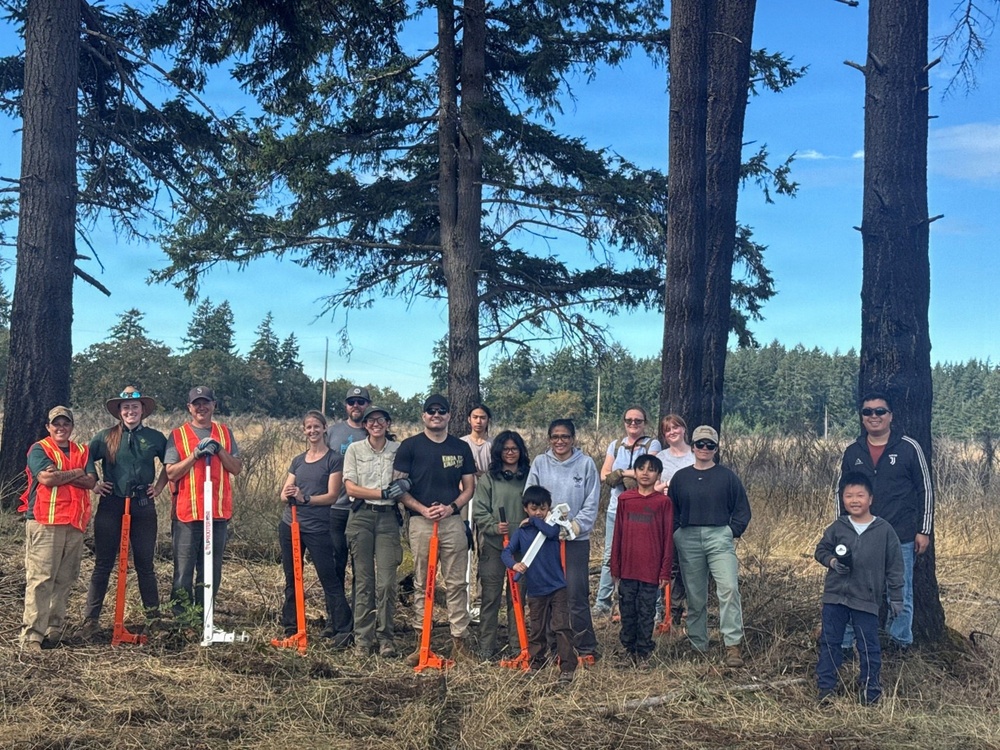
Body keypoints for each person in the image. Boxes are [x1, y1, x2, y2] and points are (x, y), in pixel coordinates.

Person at [837, 392, 933, 651]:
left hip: (900, 535)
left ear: (891, 416)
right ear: (862, 417)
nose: (874, 416)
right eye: (868, 412)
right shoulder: (853, 452)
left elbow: (925, 489)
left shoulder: (908, 448)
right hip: (860, 536)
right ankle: (847, 644)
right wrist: (844, 530)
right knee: (853, 590)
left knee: (900, 594)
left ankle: (899, 643)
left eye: (880, 411)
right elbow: (842, 492)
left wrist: (923, 530)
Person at [80, 387, 168, 640]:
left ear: (143, 410)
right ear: (119, 411)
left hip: (142, 505)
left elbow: (170, 464)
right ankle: (90, 620)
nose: (131, 411)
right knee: (103, 564)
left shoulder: (155, 437)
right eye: (126, 407)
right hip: (111, 504)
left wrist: (159, 486)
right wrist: (94, 482)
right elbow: (86, 457)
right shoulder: (106, 437)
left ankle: (154, 620)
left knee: (145, 565)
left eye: (135, 407)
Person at [395, 394, 477, 665]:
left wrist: (452, 507)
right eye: (431, 411)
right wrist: (421, 508)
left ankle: (459, 643)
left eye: (442, 411)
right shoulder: (409, 447)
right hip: (420, 523)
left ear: (449, 416)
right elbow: (398, 489)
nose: (436, 415)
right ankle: (422, 644)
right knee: (422, 582)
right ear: (423, 415)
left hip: (452, 523)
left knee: (456, 583)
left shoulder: (460, 448)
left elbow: (469, 488)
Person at [816, 472, 904, 706]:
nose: (854, 500)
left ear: (871, 499)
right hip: (835, 596)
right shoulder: (838, 527)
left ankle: (870, 690)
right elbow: (821, 550)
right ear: (842, 499)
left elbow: (895, 567)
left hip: (866, 599)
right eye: (849, 496)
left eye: (860, 495)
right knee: (830, 642)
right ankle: (826, 689)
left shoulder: (884, 531)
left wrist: (896, 597)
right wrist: (833, 562)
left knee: (868, 645)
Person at [668, 425, 751, 667]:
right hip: (688, 537)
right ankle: (697, 644)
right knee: (695, 595)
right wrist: (677, 534)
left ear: (716, 448)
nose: (704, 449)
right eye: (700, 444)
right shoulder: (681, 478)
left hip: (719, 538)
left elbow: (742, 510)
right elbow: (671, 510)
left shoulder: (727, 477)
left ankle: (732, 645)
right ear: (692, 446)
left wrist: (730, 531)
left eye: (710, 445)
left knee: (728, 589)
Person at [19, 406, 97, 651]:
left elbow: (92, 481)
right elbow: (47, 479)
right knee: (41, 579)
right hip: (45, 522)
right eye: (56, 424)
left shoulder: (83, 450)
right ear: (48, 427)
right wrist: (76, 472)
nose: (61, 428)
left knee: (65, 579)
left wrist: (63, 474)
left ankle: (54, 629)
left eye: (65, 423)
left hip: (74, 523)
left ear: (72, 426)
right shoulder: (40, 449)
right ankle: (32, 635)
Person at [526, 418, 601, 661]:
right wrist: (541, 523)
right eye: (555, 437)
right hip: (545, 541)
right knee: (550, 593)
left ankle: (585, 646)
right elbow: (531, 496)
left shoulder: (586, 464)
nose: (560, 441)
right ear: (549, 439)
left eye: (565, 436)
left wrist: (575, 527)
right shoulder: (540, 463)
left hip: (575, 541)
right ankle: (555, 647)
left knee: (575, 592)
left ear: (573, 438)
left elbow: (592, 501)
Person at [165, 386, 242, 615]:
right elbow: (171, 473)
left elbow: (236, 468)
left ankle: (203, 615)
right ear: (189, 408)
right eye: (196, 403)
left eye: (205, 402)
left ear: (213, 405)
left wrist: (218, 450)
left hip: (217, 514)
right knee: (183, 570)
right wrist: (195, 455)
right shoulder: (177, 435)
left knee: (211, 569)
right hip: (188, 514)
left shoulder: (225, 433)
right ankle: (182, 618)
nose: (201, 407)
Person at [277, 410, 349, 647]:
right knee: (292, 577)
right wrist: (289, 494)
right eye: (308, 427)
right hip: (291, 525)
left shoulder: (333, 459)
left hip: (318, 527)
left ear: (325, 428)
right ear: (303, 430)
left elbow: (331, 496)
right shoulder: (298, 460)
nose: (312, 431)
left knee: (328, 577)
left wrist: (305, 498)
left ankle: (343, 628)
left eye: (316, 426)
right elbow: (283, 494)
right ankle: (292, 626)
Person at [344, 405, 404, 657]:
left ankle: (386, 638)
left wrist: (403, 485)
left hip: (388, 518)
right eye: (371, 420)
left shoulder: (398, 450)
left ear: (388, 424)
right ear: (365, 425)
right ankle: (363, 639)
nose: (375, 424)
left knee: (387, 582)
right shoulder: (355, 450)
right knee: (364, 581)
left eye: (380, 420)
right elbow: (351, 488)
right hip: (362, 517)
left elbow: (405, 478)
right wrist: (381, 493)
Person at [501, 485, 576, 686]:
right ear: (525, 508)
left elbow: (550, 533)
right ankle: (536, 663)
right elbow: (506, 553)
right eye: (534, 509)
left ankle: (567, 667)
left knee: (561, 627)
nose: (538, 513)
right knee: (537, 628)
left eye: (542, 509)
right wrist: (514, 564)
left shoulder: (551, 527)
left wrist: (534, 520)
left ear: (549, 509)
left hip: (557, 587)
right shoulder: (521, 533)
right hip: (535, 590)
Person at [595, 406, 661, 617]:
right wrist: (623, 475)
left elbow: (650, 471)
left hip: (645, 510)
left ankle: (653, 606)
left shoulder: (652, 444)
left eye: (638, 421)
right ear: (623, 422)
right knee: (609, 555)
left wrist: (621, 472)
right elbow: (604, 474)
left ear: (645, 423)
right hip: (617, 509)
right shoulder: (615, 446)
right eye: (629, 420)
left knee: (647, 556)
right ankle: (602, 602)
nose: (633, 424)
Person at [610, 454, 673, 667]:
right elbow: (617, 533)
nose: (646, 473)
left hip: (651, 570)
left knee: (646, 611)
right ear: (635, 473)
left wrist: (665, 571)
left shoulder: (663, 502)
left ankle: (644, 652)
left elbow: (667, 539)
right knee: (628, 609)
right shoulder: (626, 499)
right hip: (627, 568)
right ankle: (628, 650)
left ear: (658, 474)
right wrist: (615, 565)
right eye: (642, 468)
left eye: (651, 469)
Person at [471, 430, 529, 659]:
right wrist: (494, 526)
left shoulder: (528, 476)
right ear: (499, 452)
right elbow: (479, 510)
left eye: (514, 448)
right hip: (495, 546)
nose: (510, 453)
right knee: (490, 598)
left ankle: (518, 646)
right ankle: (487, 647)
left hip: (521, 550)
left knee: (517, 599)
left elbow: (537, 504)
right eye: (506, 449)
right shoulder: (488, 479)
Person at [325, 385, 373, 639]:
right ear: (346, 406)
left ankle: (358, 622)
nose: (356, 406)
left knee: (361, 570)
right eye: (352, 402)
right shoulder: (333, 432)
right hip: (334, 509)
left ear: (367, 405)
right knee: (334, 568)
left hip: (361, 510)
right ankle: (334, 620)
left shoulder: (373, 431)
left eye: (361, 402)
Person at [655, 413, 695, 624]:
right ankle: (666, 610)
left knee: (686, 563)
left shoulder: (695, 454)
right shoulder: (661, 458)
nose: (672, 432)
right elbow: (653, 486)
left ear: (683, 429)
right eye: (667, 429)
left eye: (675, 427)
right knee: (668, 564)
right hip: (667, 515)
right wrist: (665, 488)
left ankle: (683, 608)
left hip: (691, 516)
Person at [460, 403, 493, 477]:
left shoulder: (495, 444)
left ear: (488, 420)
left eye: (483, 418)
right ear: (469, 419)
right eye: (475, 417)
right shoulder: (460, 443)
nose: (478, 421)